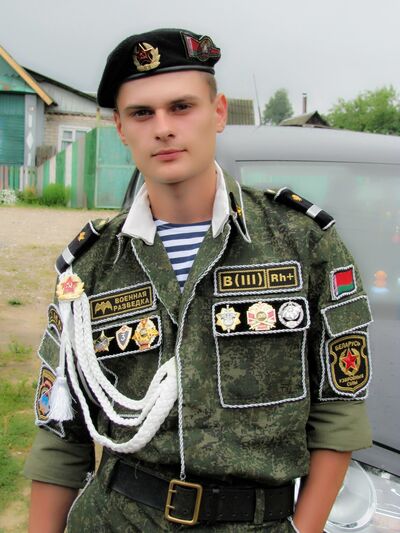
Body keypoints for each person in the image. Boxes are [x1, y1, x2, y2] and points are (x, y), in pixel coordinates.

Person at [24, 28, 373, 532]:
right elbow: (61, 432)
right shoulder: (92, 267)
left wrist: (306, 528)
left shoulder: (301, 244)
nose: (163, 128)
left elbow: (339, 413)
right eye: (142, 113)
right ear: (120, 127)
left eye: (181, 107)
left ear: (219, 112)